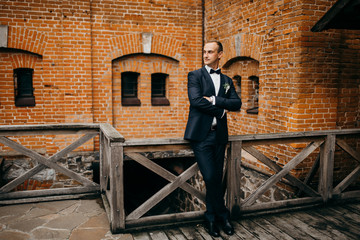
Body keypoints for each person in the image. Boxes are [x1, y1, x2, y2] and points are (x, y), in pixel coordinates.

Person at [184, 41, 242, 237]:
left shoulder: (226, 80)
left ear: (220, 55)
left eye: (210, 52)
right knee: (210, 177)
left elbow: (237, 103)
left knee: (216, 178)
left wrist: (216, 100)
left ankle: (212, 218)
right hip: (201, 136)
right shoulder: (195, 75)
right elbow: (196, 100)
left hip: (219, 136)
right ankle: (223, 216)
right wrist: (221, 111)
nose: (206, 55)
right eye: (204, 52)